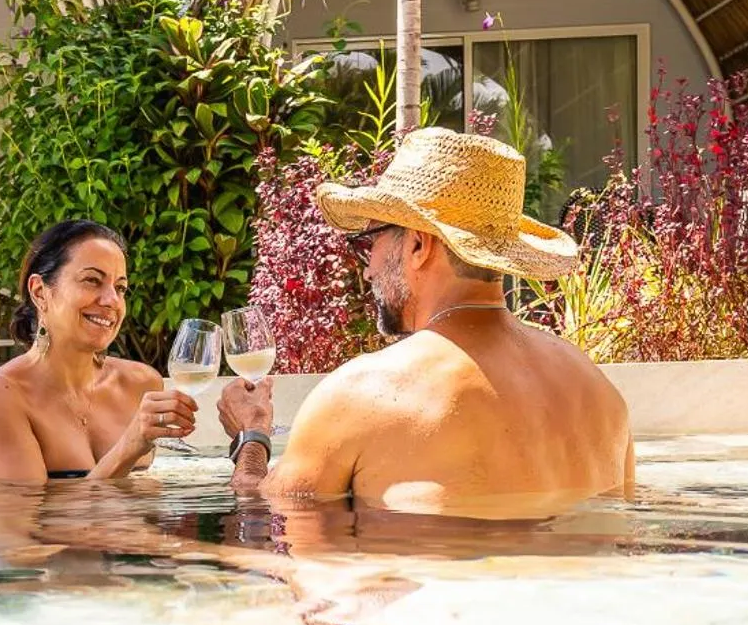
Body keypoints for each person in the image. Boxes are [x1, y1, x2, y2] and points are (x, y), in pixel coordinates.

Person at [219, 128, 635, 520]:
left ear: (418, 245)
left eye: (371, 241)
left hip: (440, 594)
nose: (367, 270)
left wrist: (251, 437)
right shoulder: (602, 396)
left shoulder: (364, 394)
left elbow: (278, 526)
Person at [0, 220, 200, 481]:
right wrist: (129, 446)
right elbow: (24, 519)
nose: (112, 301)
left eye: (120, 288)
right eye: (92, 280)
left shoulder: (140, 384)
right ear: (39, 292)